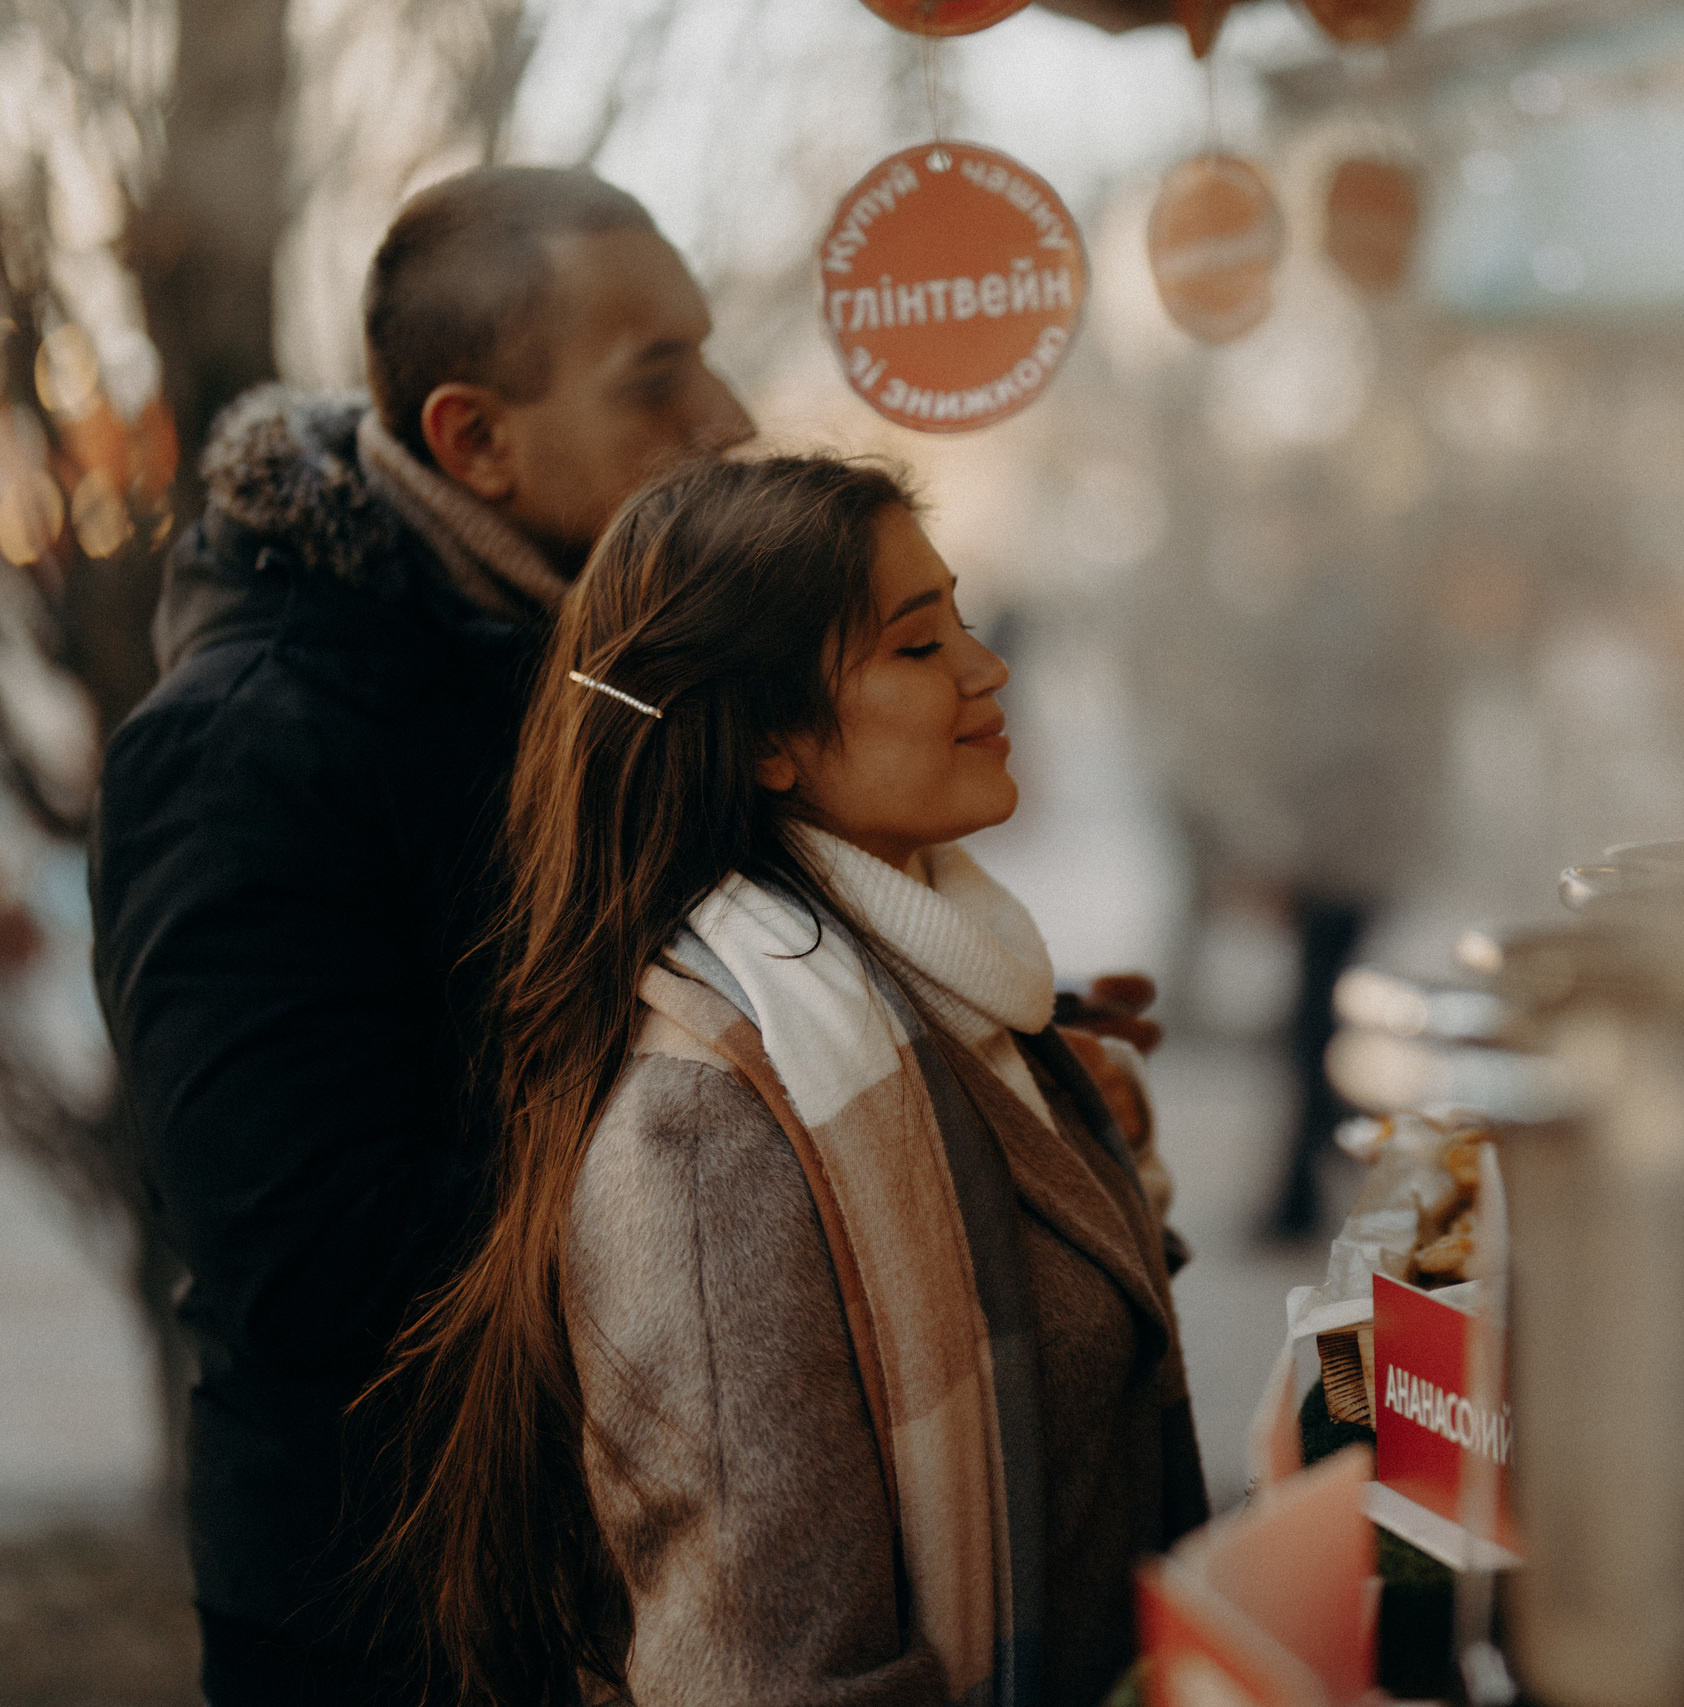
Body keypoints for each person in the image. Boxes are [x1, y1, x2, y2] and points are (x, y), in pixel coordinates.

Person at [377, 454, 1205, 1705]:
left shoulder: (959, 989)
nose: (987, 673)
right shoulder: (709, 1140)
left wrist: (1094, 1167)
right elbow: (775, 1679)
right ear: (766, 738)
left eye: (961, 623)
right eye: (918, 649)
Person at [87, 165, 754, 1702]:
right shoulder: (244, 743)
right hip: (401, 1621)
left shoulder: (609, 664)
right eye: (658, 380)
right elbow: (308, 1251)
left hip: (622, 1566)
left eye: (705, 353)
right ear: (473, 440)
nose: (725, 417)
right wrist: (762, 1177)